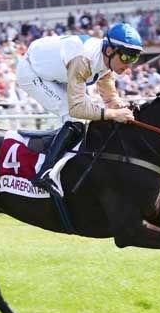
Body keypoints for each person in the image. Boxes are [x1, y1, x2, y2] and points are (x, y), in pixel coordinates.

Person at [15, 23, 142, 196]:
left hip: (57, 71)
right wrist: (113, 114)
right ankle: (45, 173)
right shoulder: (83, 60)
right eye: (127, 58)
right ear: (110, 50)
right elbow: (77, 108)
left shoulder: (106, 58)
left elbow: (105, 80)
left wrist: (115, 103)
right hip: (33, 73)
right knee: (74, 116)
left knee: (86, 115)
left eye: (134, 59)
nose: (129, 65)